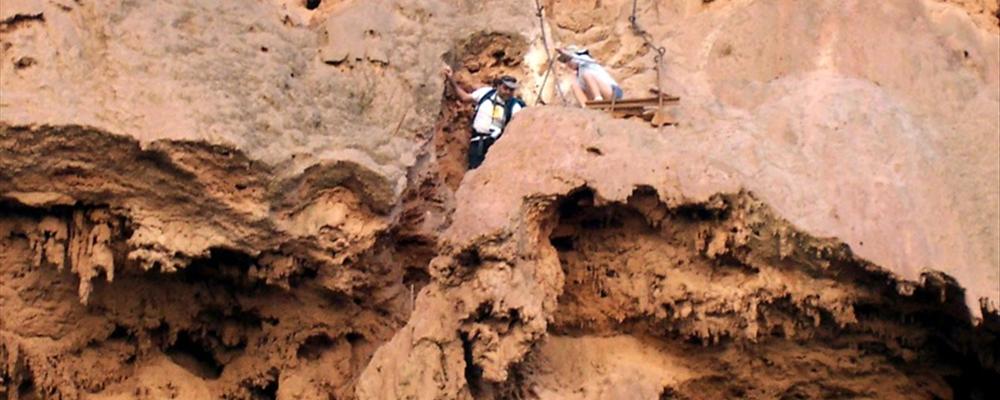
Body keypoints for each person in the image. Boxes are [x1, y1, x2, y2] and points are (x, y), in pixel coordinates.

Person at [442, 65, 526, 169]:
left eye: (511, 90)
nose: (508, 92)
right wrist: (451, 80)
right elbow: (464, 98)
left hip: (495, 145)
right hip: (477, 141)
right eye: (505, 88)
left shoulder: (514, 106)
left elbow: (517, 128)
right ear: (498, 86)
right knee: (474, 170)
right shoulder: (486, 93)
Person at [557, 45, 623, 106]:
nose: (568, 63)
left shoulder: (586, 60)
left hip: (612, 91)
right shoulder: (579, 75)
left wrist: (564, 52)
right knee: (575, 85)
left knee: (587, 75)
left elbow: (577, 58)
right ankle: (585, 106)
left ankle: (598, 98)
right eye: (565, 61)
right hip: (602, 95)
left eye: (569, 60)